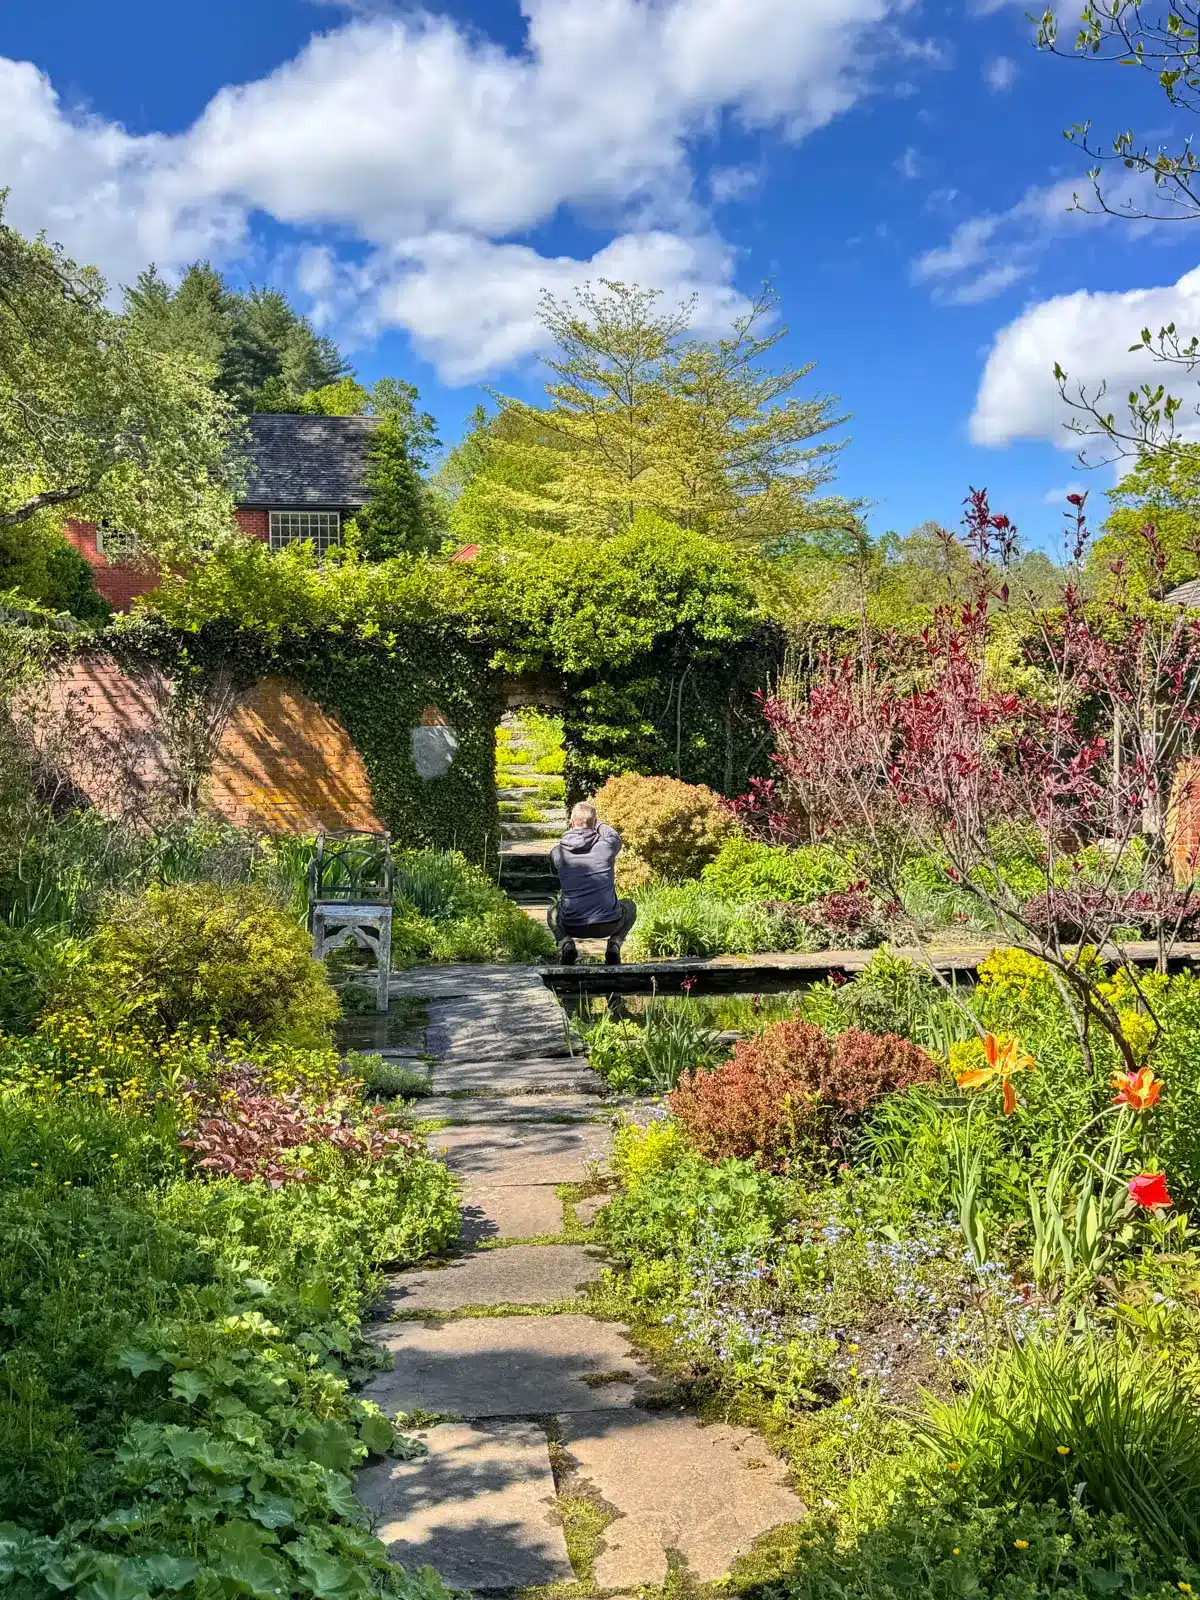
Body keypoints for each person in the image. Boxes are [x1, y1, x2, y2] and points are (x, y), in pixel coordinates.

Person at [548, 801, 637, 966]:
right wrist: (598, 823)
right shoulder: (607, 846)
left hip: (571, 924)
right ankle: (614, 946)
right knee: (630, 906)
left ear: (571, 822)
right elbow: (614, 836)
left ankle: (566, 944)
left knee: (552, 912)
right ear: (594, 823)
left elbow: (555, 871)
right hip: (609, 923)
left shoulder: (557, 852)